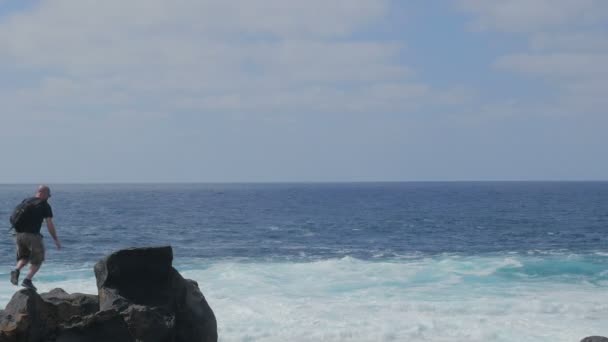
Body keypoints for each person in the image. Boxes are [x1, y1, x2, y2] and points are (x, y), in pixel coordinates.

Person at [10, 185, 61, 291]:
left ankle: (16, 270)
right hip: (32, 236)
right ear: (44, 193)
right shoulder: (44, 205)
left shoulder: (26, 201)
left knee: (24, 257)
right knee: (38, 260)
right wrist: (55, 239)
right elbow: (49, 224)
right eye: (48, 195)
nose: (48, 198)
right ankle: (27, 280)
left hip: (18, 235)